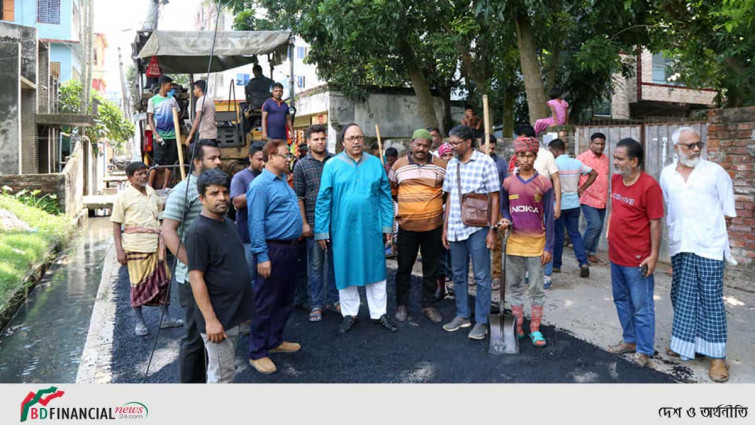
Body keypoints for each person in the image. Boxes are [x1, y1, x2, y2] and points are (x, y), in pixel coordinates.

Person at [660, 127, 736, 382]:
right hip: (681, 244)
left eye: (698, 145)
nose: (695, 149)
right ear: (676, 148)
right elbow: (668, 208)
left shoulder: (715, 172)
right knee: (681, 295)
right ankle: (684, 345)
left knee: (711, 299)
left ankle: (717, 357)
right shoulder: (667, 174)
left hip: (709, 246)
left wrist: (713, 235)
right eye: (689, 145)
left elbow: (728, 214)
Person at [314, 123, 397, 334]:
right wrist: (322, 230)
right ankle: (349, 314)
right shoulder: (332, 165)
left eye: (359, 137)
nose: (356, 141)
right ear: (343, 142)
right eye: (351, 138)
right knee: (345, 269)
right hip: (342, 229)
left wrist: (388, 225)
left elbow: (386, 197)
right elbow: (323, 200)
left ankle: (379, 314)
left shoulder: (376, 164)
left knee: (377, 270)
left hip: (371, 227)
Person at [186, 169, 255, 383]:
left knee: (226, 370)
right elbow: (196, 278)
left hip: (232, 312)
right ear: (202, 199)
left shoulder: (227, 222)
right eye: (214, 193)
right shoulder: (199, 232)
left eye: (225, 192)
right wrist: (211, 321)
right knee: (222, 376)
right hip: (218, 319)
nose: (222, 197)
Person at [162, 140, 222, 383]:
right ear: (197, 162)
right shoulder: (182, 191)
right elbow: (168, 232)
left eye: (219, 157)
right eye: (212, 158)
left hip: (215, 277)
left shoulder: (215, 190)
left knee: (213, 336)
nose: (219, 162)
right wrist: (194, 264)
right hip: (191, 280)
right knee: (195, 338)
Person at [246, 140, 304, 374]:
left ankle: (275, 340)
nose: (288, 159)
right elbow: (256, 222)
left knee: (284, 298)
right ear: (270, 157)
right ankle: (257, 351)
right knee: (265, 301)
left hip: (289, 248)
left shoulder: (282, 181)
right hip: (272, 250)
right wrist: (262, 256)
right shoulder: (260, 185)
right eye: (284, 155)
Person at [606, 138, 663, 368]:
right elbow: (615, 208)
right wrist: (610, 228)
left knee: (642, 306)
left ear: (634, 161)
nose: (615, 162)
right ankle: (629, 340)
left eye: (620, 159)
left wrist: (654, 255)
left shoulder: (649, 186)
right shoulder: (616, 180)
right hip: (615, 254)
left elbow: (655, 223)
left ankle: (645, 350)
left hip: (638, 258)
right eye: (615, 158)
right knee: (621, 300)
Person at [441, 125, 500, 340]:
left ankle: (482, 321)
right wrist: (445, 228)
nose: (452, 147)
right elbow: (448, 199)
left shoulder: (485, 162)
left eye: (455, 143)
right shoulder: (451, 165)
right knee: (458, 274)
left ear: (467, 142)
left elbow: (495, 197)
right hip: (456, 226)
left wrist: (492, 230)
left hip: (479, 228)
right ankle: (462, 314)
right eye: (451, 143)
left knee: (482, 276)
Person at [111, 162, 183, 337]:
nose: (143, 176)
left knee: (164, 281)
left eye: (145, 173)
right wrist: (119, 250)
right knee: (138, 284)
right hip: (136, 246)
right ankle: (139, 321)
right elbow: (116, 224)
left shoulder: (151, 192)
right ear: (130, 178)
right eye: (139, 174)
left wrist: (177, 198)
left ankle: (165, 318)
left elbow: (160, 209)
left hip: (156, 245)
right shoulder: (123, 197)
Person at [498, 136, 554, 347]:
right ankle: (518, 326)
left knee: (537, 289)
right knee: (515, 286)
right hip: (513, 244)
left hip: (537, 245)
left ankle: (535, 329)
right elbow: (504, 207)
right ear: (516, 156)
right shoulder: (508, 182)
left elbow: (549, 217)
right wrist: (505, 219)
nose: (525, 159)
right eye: (521, 155)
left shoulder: (544, 183)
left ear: (535, 157)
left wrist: (549, 247)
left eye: (530, 155)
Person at [390, 129, 447, 324]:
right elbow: (393, 190)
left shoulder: (441, 166)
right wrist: (411, 205)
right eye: (418, 144)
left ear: (431, 146)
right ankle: (401, 305)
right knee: (404, 267)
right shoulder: (398, 165)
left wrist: (429, 206)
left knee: (431, 268)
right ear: (411, 143)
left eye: (425, 145)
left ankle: (428, 305)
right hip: (407, 226)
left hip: (433, 227)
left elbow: (445, 193)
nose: (421, 148)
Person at [293, 124, 339, 322]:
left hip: (336, 222)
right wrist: (304, 224)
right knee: (315, 266)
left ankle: (334, 300)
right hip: (312, 224)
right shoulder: (301, 165)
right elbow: (299, 197)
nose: (320, 142)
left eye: (323, 138)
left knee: (336, 265)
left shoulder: (336, 161)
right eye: (316, 139)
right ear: (309, 142)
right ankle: (317, 304)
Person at [546, 138, 597, 288]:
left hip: (559, 205)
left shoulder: (554, 165)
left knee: (558, 234)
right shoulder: (576, 163)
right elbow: (594, 173)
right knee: (575, 233)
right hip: (574, 203)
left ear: (554, 151)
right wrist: (582, 188)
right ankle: (583, 262)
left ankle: (556, 264)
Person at [230, 141, 266, 278]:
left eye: (265, 159)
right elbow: (237, 202)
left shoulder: (270, 176)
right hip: (247, 236)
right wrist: (259, 190)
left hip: (268, 235)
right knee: (250, 275)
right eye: (259, 159)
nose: (263, 163)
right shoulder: (240, 177)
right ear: (250, 157)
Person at [577, 132, 609, 264]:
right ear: (591, 144)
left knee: (600, 226)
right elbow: (576, 176)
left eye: (602, 144)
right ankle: (582, 253)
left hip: (602, 197)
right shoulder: (582, 158)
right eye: (597, 144)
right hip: (587, 197)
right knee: (594, 225)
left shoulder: (605, 158)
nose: (600, 146)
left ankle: (592, 253)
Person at [483, 134, 509, 291]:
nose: (491, 148)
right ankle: (480, 273)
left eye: (493, 146)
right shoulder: (475, 162)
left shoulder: (501, 164)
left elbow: (506, 185)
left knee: (498, 242)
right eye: (488, 145)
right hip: (478, 209)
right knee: (478, 242)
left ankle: (497, 275)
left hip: (497, 208)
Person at [147, 75, 180, 190]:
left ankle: (165, 186)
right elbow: (150, 119)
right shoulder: (153, 100)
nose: (171, 87)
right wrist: (155, 134)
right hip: (160, 136)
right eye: (169, 85)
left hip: (172, 136)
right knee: (157, 162)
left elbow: (178, 113)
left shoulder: (172, 100)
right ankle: (150, 187)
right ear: (163, 85)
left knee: (170, 161)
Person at [436, 142, 454, 299]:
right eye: (445, 155)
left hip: (457, 218)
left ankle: (456, 286)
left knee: (455, 255)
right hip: (439, 218)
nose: (448, 158)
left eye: (450, 154)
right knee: (440, 255)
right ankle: (441, 288)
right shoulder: (437, 172)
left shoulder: (459, 170)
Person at [185, 80, 217, 144]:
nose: (193, 91)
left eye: (194, 89)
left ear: (199, 89)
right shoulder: (209, 100)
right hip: (212, 134)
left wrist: (190, 135)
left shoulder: (201, 100)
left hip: (206, 136)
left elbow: (197, 118)